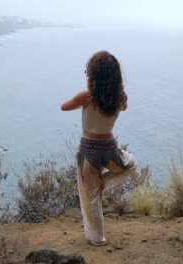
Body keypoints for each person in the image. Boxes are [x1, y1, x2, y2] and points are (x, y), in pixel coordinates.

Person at [60, 50, 137, 246]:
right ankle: (104, 183)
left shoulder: (86, 96)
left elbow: (64, 107)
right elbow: (124, 107)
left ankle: (97, 238)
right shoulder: (120, 97)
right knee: (132, 164)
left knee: (90, 196)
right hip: (110, 148)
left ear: (92, 74)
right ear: (116, 76)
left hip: (89, 151)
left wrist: (83, 101)